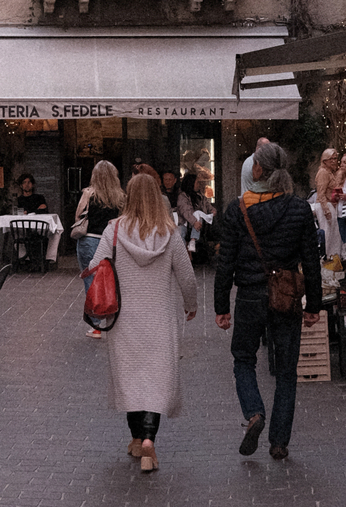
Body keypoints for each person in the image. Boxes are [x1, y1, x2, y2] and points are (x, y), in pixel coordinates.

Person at [214, 141, 323, 461]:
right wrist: (313, 306)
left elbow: (226, 262)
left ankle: (254, 413)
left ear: (258, 170)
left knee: (244, 359)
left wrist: (221, 306)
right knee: (287, 371)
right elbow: (311, 261)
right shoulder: (299, 208)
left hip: (249, 296)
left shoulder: (238, 209)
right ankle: (279, 442)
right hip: (286, 298)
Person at [86, 172, 197, 472]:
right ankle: (149, 441)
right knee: (156, 382)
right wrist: (191, 305)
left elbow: (94, 266)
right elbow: (186, 275)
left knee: (131, 380)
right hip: (160, 319)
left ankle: (137, 438)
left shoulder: (114, 231)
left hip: (123, 320)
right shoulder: (170, 233)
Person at [73, 160, 125, 336]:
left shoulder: (89, 193)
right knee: (112, 279)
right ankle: (113, 314)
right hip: (111, 242)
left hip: (89, 240)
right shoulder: (120, 196)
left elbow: (78, 215)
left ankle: (96, 324)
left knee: (91, 281)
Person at [312, 148, 342, 257]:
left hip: (329, 204)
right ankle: (328, 257)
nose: (334, 161)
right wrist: (326, 210)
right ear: (325, 161)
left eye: (335, 158)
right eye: (331, 159)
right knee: (328, 234)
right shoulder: (323, 173)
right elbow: (321, 193)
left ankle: (333, 257)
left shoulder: (329, 172)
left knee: (334, 235)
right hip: (324, 205)